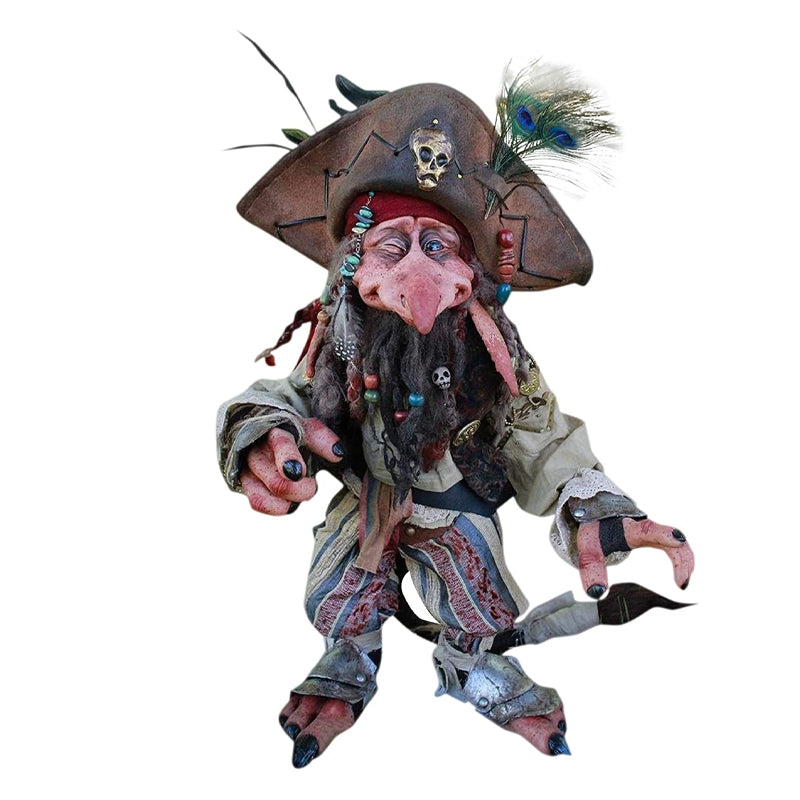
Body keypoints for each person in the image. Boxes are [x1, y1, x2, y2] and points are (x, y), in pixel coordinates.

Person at [217, 75, 694, 768]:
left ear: (470, 269)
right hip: (369, 497)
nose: (417, 271)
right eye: (393, 245)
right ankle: (349, 659)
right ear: (354, 265)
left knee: (481, 599)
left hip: (457, 502)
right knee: (335, 591)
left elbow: (539, 431)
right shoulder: (341, 339)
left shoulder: (493, 354)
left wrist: (590, 506)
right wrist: (266, 434)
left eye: (437, 245)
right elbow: (294, 397)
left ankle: (472, 663)